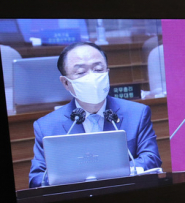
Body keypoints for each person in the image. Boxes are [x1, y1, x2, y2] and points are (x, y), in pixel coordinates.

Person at [28, 42, 161, 188]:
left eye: (98, 69)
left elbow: (151, 158)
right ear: (66, 82)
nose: (92, 77)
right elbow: (37, 178)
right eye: (81, 72)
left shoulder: (137, 113)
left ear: (107, 73)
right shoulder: (47, 126)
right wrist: (77, 176)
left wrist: (107, 173)